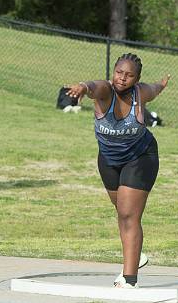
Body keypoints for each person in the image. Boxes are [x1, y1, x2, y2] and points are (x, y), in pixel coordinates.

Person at [65, 53, 170, 288]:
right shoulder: (106, 91)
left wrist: (161, 85)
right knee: (122, 212)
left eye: (129, 75)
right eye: (119, 72)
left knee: (128, 214)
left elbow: (153, 89)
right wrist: (82, 87)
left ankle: (129, 280)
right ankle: (136, 255)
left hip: (140, 157)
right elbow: (93, 87)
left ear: (136, 79)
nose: (122, 78)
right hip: (109, 160)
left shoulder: (140, 94)